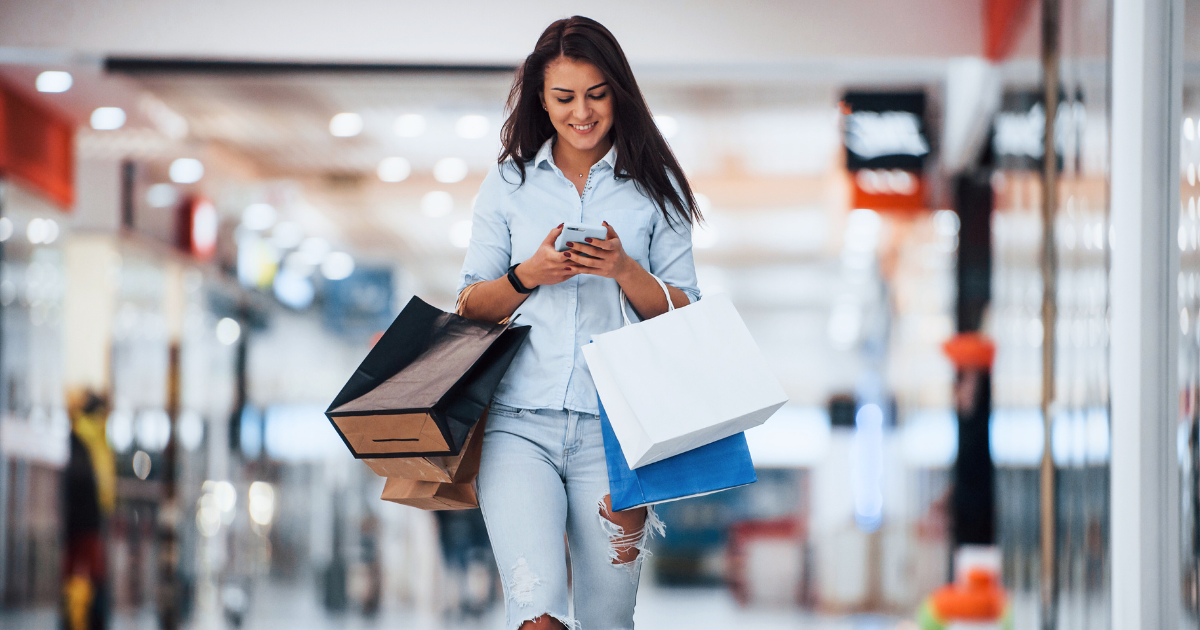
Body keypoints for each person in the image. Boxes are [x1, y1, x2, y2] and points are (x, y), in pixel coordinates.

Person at [456, 15, 703, 630]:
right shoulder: (507, 185)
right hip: (517, 429)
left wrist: (625, 270)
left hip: (617, 436)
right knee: (536, 615)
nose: (582, 113)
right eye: (564, 97)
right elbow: (467, 307)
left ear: (619, 92)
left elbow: (687, 314)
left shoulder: (656, 189)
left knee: (609, 619)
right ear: (541, 98)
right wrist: (525, 277)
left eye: (597, 94)